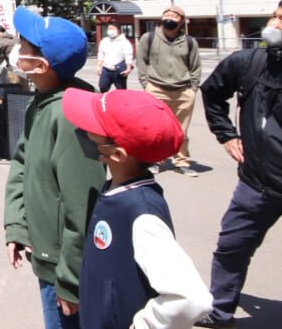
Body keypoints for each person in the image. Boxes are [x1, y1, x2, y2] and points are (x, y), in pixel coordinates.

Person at [62, 88, 212, 329]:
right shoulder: (116, 189)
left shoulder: (142, 212)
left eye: (94, 129)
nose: (84, 132)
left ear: (118, 154)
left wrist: (144, 325)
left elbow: (192, 299)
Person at [3, 6, 106, 329]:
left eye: (25, 47)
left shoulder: (72, 114)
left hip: (64, 269)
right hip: (46, 254)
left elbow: (82, 204)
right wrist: (17, 224)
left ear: (43, 65)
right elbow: (22, 164)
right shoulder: (42, 100)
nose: (16, 51)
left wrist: (71, 279)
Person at [194, 0, 282, 328]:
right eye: (274, 17)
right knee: (232, 247)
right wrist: (227, 135)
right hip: (257, 184)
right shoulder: (249, 62)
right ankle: (220, 311)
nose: (273, 26)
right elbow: (213, 92)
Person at [136, 6, 202, 176]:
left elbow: (195, 67)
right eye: (167, 14)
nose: (170, 17)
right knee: (157, 129)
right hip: (156, 89)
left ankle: (181, 162)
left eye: (174, 15)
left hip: (183, 91)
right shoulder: (149, 37)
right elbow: (141, 62)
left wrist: (192, 89)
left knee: (181, 130)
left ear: (181, 21)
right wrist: (146, 84)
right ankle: (156, 160)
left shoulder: (189, 41)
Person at [96, 24, 134, 92]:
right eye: (109, 29)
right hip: (106, 69)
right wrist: (98, 66)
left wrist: (128, 68)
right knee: (102, 87)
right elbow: (101, 54)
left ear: (118, 30)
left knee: (121, 90)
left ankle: (122, 102)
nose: (110, 31)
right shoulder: (104, 41)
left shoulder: (124, 42)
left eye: (112, 29)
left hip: (118, 70)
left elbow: (128, 56)